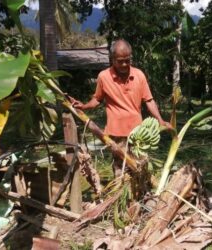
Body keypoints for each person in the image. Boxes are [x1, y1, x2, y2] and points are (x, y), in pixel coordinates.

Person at [70, 39, 171, 176]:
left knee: (140, 168)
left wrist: (160, 120)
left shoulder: (139, 75)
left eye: (127, 60)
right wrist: (84, 106)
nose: (124, 64)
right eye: (120, 61)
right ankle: (121, 195)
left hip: (139, 134)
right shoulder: (104, 77)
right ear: (112, 59)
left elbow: (149, 100)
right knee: (120, 171)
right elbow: (97, 99)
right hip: (116, 134)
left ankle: (140, 196)